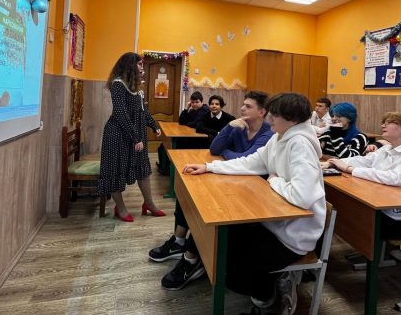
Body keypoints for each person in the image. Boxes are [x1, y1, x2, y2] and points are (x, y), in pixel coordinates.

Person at [180, 93, 326, 312]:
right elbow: (251, 162)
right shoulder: (279, 137)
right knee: (224, 242)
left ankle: (267, 296)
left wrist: (274, 181)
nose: (269, 118)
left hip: (293, 237)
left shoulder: (300, 144)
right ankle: (267, 285)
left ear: (292, 120)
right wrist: (210, 167)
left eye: (275, 115)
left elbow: (302, 196)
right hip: (274, 224)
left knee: (231, 264)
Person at [149, 91, 274, 288]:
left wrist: (227, 153)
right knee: (190, 192)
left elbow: (248, 160)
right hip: (233, 178)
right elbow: (215, 149)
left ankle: (192, 259)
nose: (242, 108)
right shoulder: (239, 126)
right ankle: (178, 241)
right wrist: (228, 127)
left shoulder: (268, 134)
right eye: (243, 105)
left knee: (207, 208)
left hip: (253, 191)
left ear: (262, 112)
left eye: (248, 106)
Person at [324, 112, 401, 239]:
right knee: (342, 205)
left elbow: (395, 178)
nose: (383, 125)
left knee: (346, 211)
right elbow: (362, 161)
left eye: (389, 123)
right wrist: (331, 163)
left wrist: (350, 169)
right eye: (384, 123)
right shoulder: (386, 149)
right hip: (379, 205)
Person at [97, 52, 165, 222]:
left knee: (143, 169)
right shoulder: (118, 85)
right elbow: (121, 113)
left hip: (134, 135)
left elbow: (143, 111)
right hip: (117, 135)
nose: (142, 67)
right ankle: (120, 208)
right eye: (140, 64)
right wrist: (136, 138)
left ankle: (149, 204)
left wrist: (154, 125)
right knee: (115, 171)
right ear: (130, 66)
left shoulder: (136, 88)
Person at [156, 91, 210, 174]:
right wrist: (186, 108)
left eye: (197, 102)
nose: (194, 104)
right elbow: (181, 121)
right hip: (190, 136)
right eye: (192, 102)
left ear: (202, 102)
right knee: (163, 145)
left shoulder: (204, 110)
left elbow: (195, 124)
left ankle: (168, 169)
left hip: (199, 140)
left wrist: (187, 123)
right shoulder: (193, 110)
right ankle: (164, 167)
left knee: (172, 146)